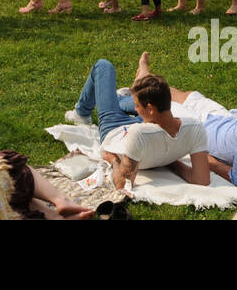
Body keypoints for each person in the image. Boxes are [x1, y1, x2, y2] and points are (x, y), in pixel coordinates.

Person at [64, 52, 210, 189]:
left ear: (150, 109)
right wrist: (171, 161)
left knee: (103, 66)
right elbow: (201, 180)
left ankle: (81, 113)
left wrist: (112, 160)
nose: (136, 107)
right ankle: (130, 92)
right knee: (129, 103)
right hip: (148, 121)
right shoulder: (195, 127)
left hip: (114, 128)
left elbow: (122, 184)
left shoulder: (139, 134)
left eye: (137, 106)